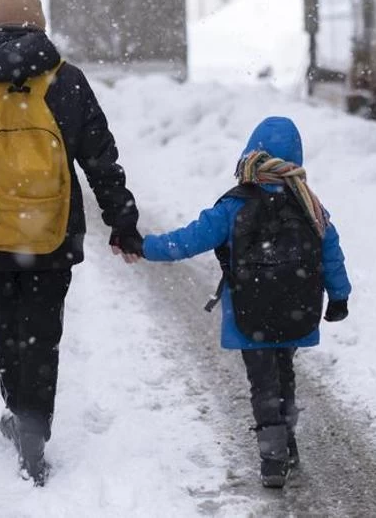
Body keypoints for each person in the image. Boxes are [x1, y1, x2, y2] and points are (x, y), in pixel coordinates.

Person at [0, 0, 143, 486]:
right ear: (38, 21)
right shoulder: (66, 80)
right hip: (52, 235)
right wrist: (122, 220)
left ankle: (16, 410)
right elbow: (101, 160)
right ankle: (34, 429)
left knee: (8, 331)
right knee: (43, 335)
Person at [141, 116, 352, 488]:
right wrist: (339, 297)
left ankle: (273, 458)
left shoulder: (234, 206)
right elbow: (331, 253)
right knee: (284, 373)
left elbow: (188, 240)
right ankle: (286, 441)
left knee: (262, 381)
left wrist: (144, 247)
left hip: (249, 313)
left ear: (251, 153)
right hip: (295, 310)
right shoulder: (309, 206)